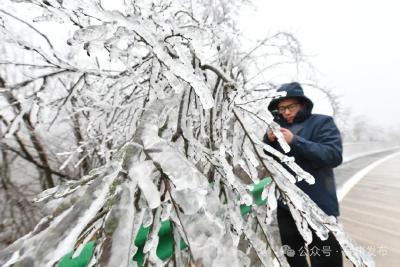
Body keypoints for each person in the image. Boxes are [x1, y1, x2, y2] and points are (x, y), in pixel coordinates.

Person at [263, 82, 343, 267]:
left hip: (319, 206)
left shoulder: (322, 122)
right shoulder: (277, 128)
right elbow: (266, 157)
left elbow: (333, 155)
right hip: (287, 206)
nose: (286, 112)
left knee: (326, 259)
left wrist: (295, 140)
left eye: (291, 107)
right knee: (293, 256)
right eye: (281, 108)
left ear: (302, 104)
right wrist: (268, 139)